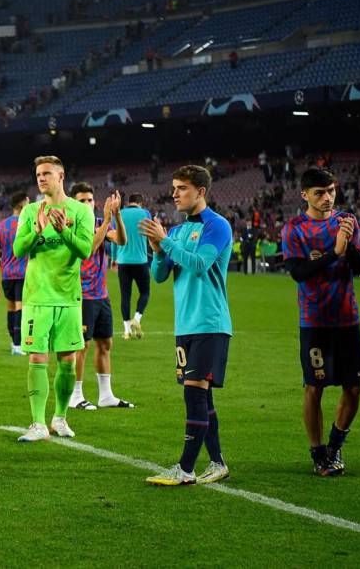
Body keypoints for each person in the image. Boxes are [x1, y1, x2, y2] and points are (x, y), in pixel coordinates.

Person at [139, 165, 232, 485]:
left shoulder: (217, 226)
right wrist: (157, 250)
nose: (175, 194)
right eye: (174, 188)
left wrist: (165, 243)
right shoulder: (178, 231)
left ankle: (186, 468)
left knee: (194, 394)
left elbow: (199, 264)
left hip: (210, 322)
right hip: (186, 325)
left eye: (182, 188)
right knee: (202, 398)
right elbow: (160, 276)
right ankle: (217, 463)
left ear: (201, 192)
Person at [281, 168, 360, 476]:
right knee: (315, 387)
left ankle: (335, 446)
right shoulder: (294, 228)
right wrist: (334, 253)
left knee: (354, 387)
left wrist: (350, 244)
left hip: (347, 319)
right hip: (314, 321)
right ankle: (318, 453)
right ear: (305, 195)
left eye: (331, 190)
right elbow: (298, 273)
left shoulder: (347, 222)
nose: (327, 197)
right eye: (320, 192)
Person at [14, 156, 94, 442]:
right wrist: (37, 230)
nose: (41, 178)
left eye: (47, 173)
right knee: (37, 357)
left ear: (61, 176)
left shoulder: (80, 211)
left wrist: (64, 231)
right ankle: (37, 423)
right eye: (38, 174)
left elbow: (85, 250)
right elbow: (18, 249)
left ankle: (59, 418)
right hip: (36, 297)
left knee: (67, 360)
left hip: (68, 298)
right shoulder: (30, 211)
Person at [69, 184, 135, 410]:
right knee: (82, 346)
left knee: (105, 343)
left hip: (101, 294)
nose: (87, 204)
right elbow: (89, 248)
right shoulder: (71, 225)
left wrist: (116, 216)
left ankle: (105, 396)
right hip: (81, 295)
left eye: (89, 200)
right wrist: (107, 220)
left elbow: (122, 241)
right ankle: (75, 395)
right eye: (82, 200)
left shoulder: (100, 223)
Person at [0, 191, 29, 356]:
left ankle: (13, 341)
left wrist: (3, 263)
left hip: (7, 273)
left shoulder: (1, 225)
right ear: (22, 205)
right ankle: (17, 344)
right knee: (20, 308)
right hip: (23, 273)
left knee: (10, 308)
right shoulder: (28, 223)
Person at [115, 193, 152, 339]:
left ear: (129, 202)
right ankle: (136, 319)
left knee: (125, 296)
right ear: (140, 203)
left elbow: (114, 236)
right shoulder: (145, 213)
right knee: (145, 292)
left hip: (123, 261)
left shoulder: (119, 214)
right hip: (140, 261)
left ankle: (126, 331)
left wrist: (113, 258)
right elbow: (151, 234)